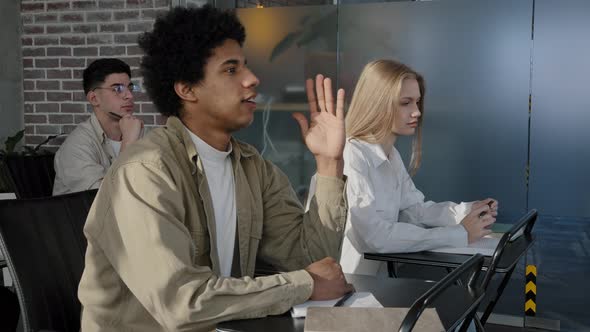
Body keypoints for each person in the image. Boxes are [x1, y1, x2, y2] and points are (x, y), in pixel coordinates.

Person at [78, 5, 352, 332]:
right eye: (231, 69)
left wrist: (329, 163)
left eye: (246, 67)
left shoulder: (253, 167)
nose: (252, 79)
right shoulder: (145, 171)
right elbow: (182, 303)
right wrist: (301, 285)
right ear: (187, 89)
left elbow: (311, 260)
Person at [309, 59, 498, 276]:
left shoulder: (391, 155)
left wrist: (468, 211)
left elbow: (414, 210)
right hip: (347, 284)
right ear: (377, 103)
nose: (417, 111)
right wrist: (459, 233)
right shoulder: (352, 155)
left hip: (375, 280)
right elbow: (374, 237)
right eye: (405, 102)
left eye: (417, 102)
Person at [52, 58, 143, 195]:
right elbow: (106, 201)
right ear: (94, 98)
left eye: (130, 88)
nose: (129, 95)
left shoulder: (141, 133)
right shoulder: (76, 147)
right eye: (117, 89)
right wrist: (129, 142)